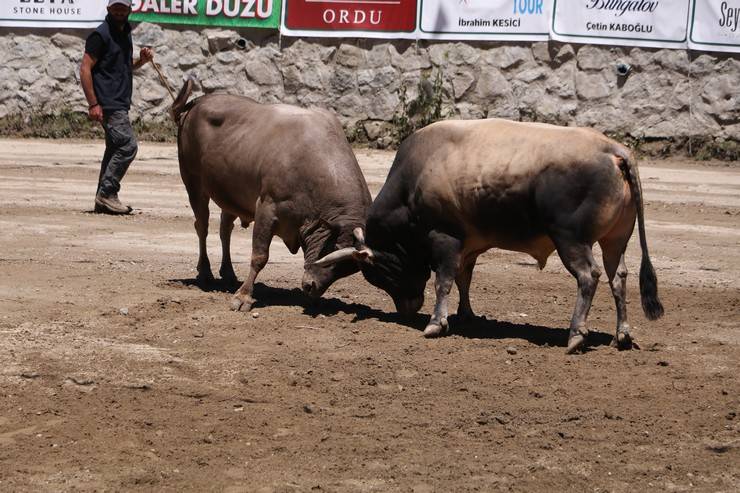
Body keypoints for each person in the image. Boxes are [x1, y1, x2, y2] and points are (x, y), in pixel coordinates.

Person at [80, 0, 154, 214]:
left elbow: (123, 67)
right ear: (109, 9)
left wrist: (141, 61)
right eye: (116, 8)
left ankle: (102, 200)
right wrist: (93, 103)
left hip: (119, 102)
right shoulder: (100, 35)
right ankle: (107, 193)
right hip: (108, 103)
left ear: (130, 9)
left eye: (123, 7)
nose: (120, 11)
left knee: (114, 149)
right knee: (128, 146)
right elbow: (85, 69)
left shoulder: (124, 32)